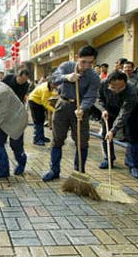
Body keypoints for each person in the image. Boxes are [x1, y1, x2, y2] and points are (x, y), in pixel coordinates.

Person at [43, 45, 100, 182]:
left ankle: (79, 172)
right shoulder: (66, 66)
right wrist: (67, 77)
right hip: (62, 106)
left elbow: (91, 96)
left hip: (80, 110)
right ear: (77, 58)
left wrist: (83, 108)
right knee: (57, 140)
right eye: (83, 62)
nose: (86, 66)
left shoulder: (93, 76)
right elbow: (53, 79)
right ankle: (54, 170)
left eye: (90, 63)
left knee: (82, 142)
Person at [95, 70, 138, 179]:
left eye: (120, 87)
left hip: (129, 112)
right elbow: (98, 98)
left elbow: (124, 113)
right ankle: (108, 158)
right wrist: (103, 109)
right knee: (106, 135)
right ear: (108, 83)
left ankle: (133, 165)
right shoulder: (102, 84)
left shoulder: (131, 90)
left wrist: (113, 130)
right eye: (113, 87)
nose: (116, 90)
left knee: (133, 137)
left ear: (125, 83)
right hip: (109, 111)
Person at [28, 78, 58, 146]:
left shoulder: (49, 86)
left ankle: (41, 137)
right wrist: (54, 110)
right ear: (51, 83)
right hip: (33, 101)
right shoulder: (45, 89)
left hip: (39, 102)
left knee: (42, 119)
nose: (56, 86)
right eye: (55, 85)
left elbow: (50, 93)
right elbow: (45, 104)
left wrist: (56, 94)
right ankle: (36, 139)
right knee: (38, 120)